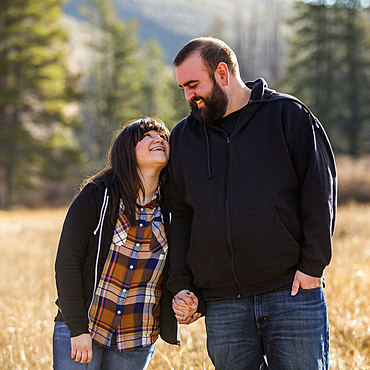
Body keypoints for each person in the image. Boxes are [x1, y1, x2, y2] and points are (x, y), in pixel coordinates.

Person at [168, 37, 337, 369]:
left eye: (193, 84)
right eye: (182, 88)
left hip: (291, 293)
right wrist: (181, 284)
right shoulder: (184, 137)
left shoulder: (287, 115)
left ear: (222, 73)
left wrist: (312, 268)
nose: (188, 96)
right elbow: (180, 216)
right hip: (223, 303)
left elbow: (319, 193)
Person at [53, 118, 185, 370]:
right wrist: (78, 329)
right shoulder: (97, 195)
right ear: (127, 149)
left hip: (136, 340)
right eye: (147, 135)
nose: (159, 140)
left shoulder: (173, 208)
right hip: (85, 330)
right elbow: (67, 263)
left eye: (163, 137)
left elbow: (179, 267)